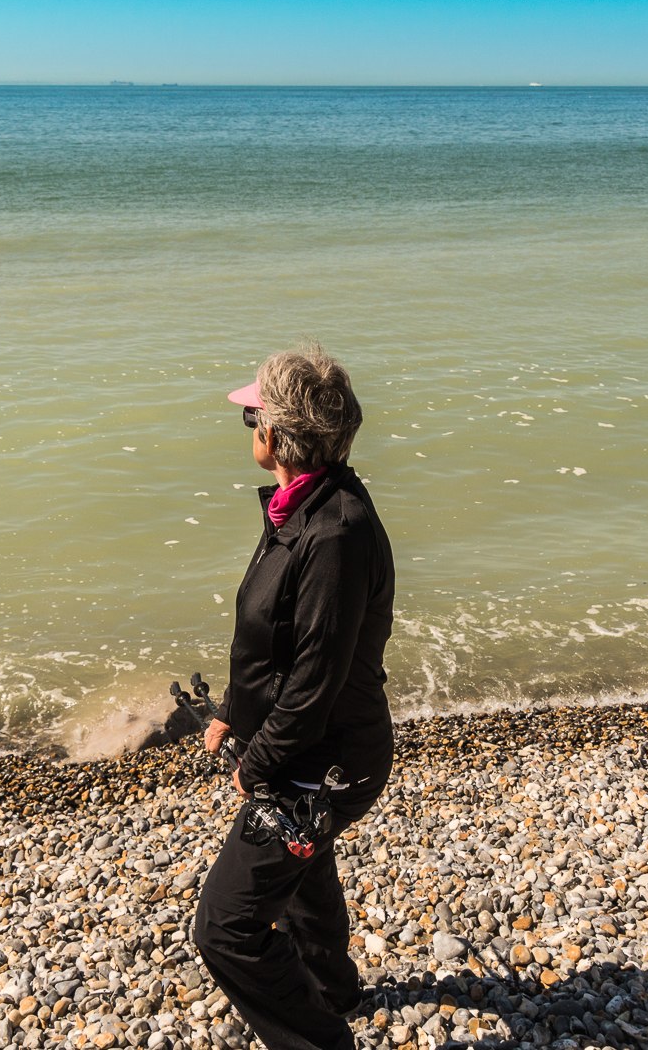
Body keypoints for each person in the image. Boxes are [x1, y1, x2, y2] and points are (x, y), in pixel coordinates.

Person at [192, 344, 396, 1050]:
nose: (249, 426)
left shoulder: (335, 531)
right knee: (307, 872)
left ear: (275, 435)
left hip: (325, 762)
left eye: (253, 415)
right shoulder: (301, 502)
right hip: (302, 745)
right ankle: (333, 991)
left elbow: (315, 682)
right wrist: (229, 711)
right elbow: (273, 638)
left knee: (227, 926)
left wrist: (260, 763)